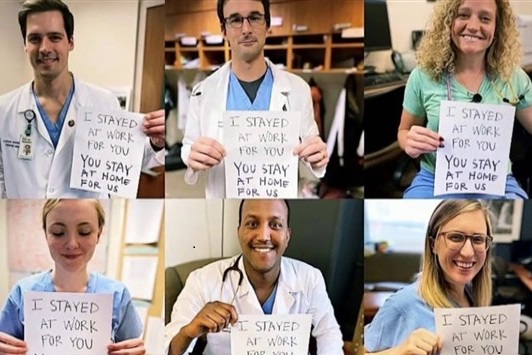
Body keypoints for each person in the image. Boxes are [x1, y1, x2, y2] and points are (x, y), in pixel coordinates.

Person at [0, 0, 165, 198]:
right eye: (35, 38)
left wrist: (156, 143)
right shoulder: (4, 109)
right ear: (25, 45)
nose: (44, 48)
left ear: (70, 42)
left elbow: (126, 162)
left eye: (54, 37)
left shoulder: (104, 103)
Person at [181, 0, 329, 198]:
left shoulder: (299, 90)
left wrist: (317, 156)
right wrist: (192, 155)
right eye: (235, 20)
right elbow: (188, 146)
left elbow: (312, 150)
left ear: (267, 26)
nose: (246, 29)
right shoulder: (202, 93)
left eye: (254, 18)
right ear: (224, 30)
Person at [165, 199, 343, 355]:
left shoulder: (310, 278)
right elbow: (168, 348)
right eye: (252, 224)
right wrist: (188, 332)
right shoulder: (202, 280)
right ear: (239, 231)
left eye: (275, 225)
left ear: (287, 236)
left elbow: (329, 334)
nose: (264, 236)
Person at [398, 0, 532, 198]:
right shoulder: (422, 76)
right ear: (449, 21)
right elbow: (403, 131)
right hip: (435, 180)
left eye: (485, 18)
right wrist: (408, 141)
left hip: (497, 182)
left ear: (497, 28)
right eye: (463, 15)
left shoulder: (514, 78)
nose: (473, 26)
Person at [0, 199, 145, 355]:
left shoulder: (118, 295)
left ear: (99, 234)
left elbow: (134, 346)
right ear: (46, 234)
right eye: (58, 232)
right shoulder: (22, 293)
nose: (71, 244)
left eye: (84, 232)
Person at [365, 199, 494, 354]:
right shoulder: (403, 304)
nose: (468, 252)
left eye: (478, 239)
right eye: (456, 237)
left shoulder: (473, 296)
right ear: (433, 244)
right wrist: (400, 351)